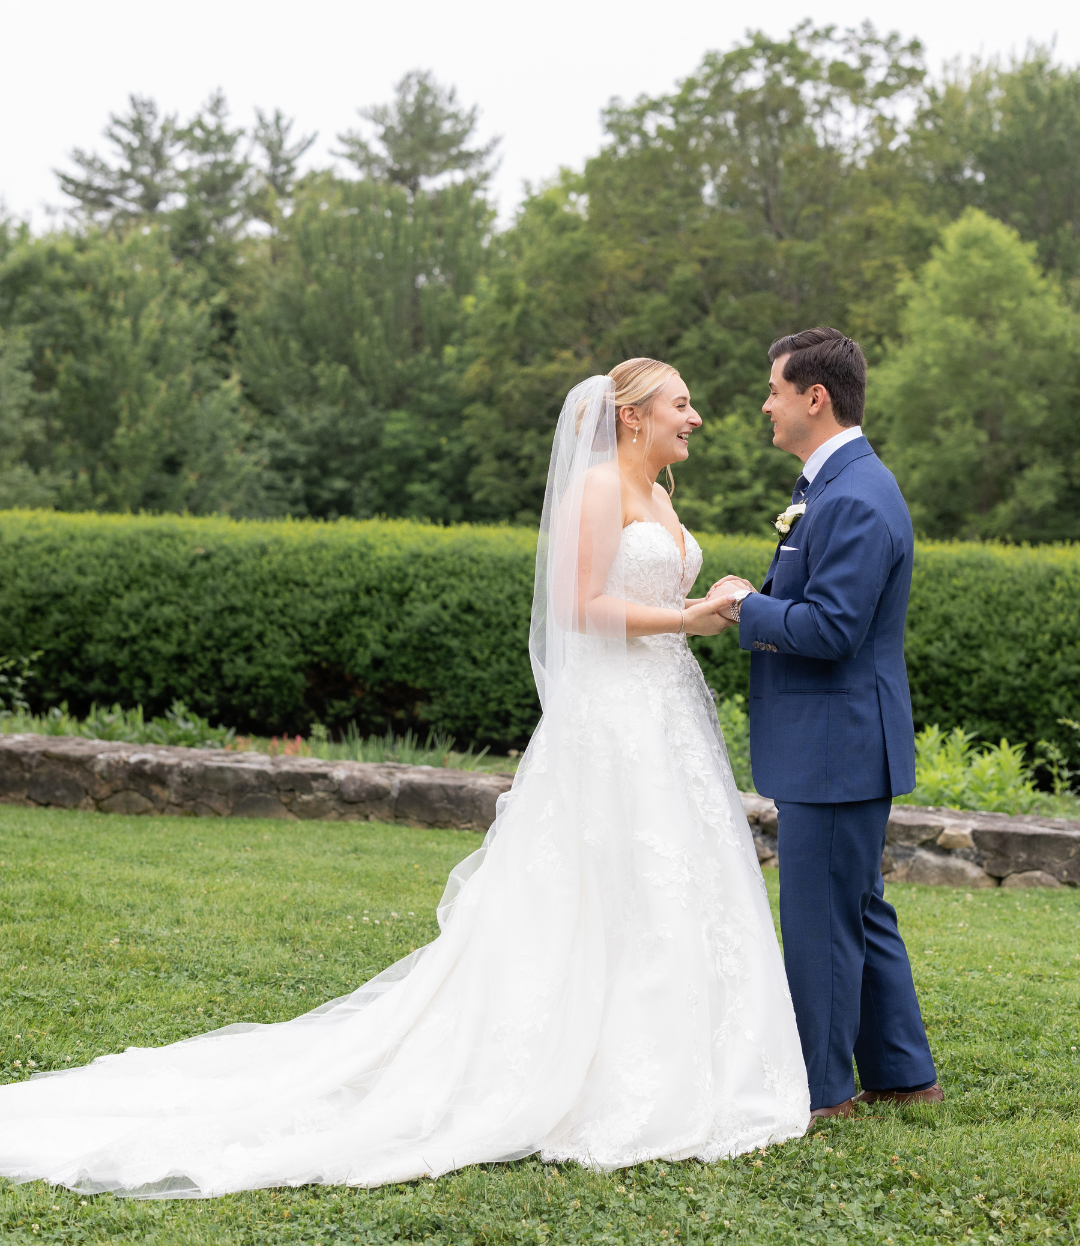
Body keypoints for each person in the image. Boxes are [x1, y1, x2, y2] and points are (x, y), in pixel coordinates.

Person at [0, 360, 809, 1199]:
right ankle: (580, 1064)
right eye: (681, 404)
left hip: (665, 711)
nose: (696, 417)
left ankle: (677, 1056)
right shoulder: (599, 488)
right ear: (634, 415)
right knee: (602, 875)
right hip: (611, 719)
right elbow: (580, 608)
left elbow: (655, 596)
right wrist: (683, 616)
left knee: (667, 875)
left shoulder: (662, 494)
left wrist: (715, 600)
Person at [711, 328, 941, 1123]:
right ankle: (903, 1072)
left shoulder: (853, 496)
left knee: (819, 922)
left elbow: (834, 628)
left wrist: (746, 607)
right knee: (857, 909)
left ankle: (821, 1093)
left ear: (816, 397)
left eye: (775, 391)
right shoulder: (838, 485)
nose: (765, 405)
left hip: (837, 746)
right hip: (836, 740)